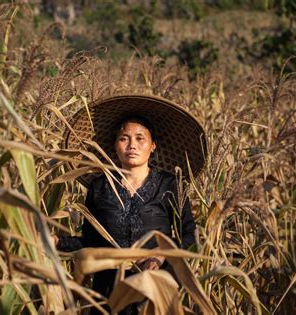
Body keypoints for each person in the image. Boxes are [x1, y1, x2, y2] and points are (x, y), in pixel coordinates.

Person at [58, 95, 207, 314]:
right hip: (108, 293)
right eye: (124, 139)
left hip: (154, 292)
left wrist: (161, 254)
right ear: (115, 145)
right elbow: (90, 241)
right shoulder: (100, 187)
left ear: (153, 145)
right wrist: (56, 241)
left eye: (140, 138)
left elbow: (190, 237)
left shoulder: (170, 185)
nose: (132, 145)